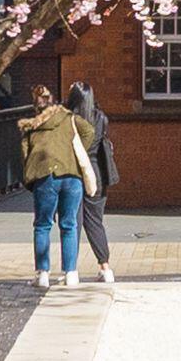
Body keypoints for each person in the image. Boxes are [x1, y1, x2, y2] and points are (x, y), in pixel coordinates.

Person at [14, 78, 96, 283]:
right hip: (72, 176)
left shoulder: (31, 127)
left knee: (43, 225)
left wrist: (31, 174)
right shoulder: (68, 117)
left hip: (45, 177)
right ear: (53, 101)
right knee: (69, 225)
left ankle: (42, 274)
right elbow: (89, 131)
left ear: (36, 105)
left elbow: (25, 155)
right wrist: (74, 153)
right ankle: (71, 274)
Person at [67, 78, 118, 287]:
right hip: (96, 174)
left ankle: (72, 270)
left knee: (73, 222)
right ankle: (105, 268)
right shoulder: (100, 118)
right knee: (95, 221)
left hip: (76, 172)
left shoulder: (69, 120)